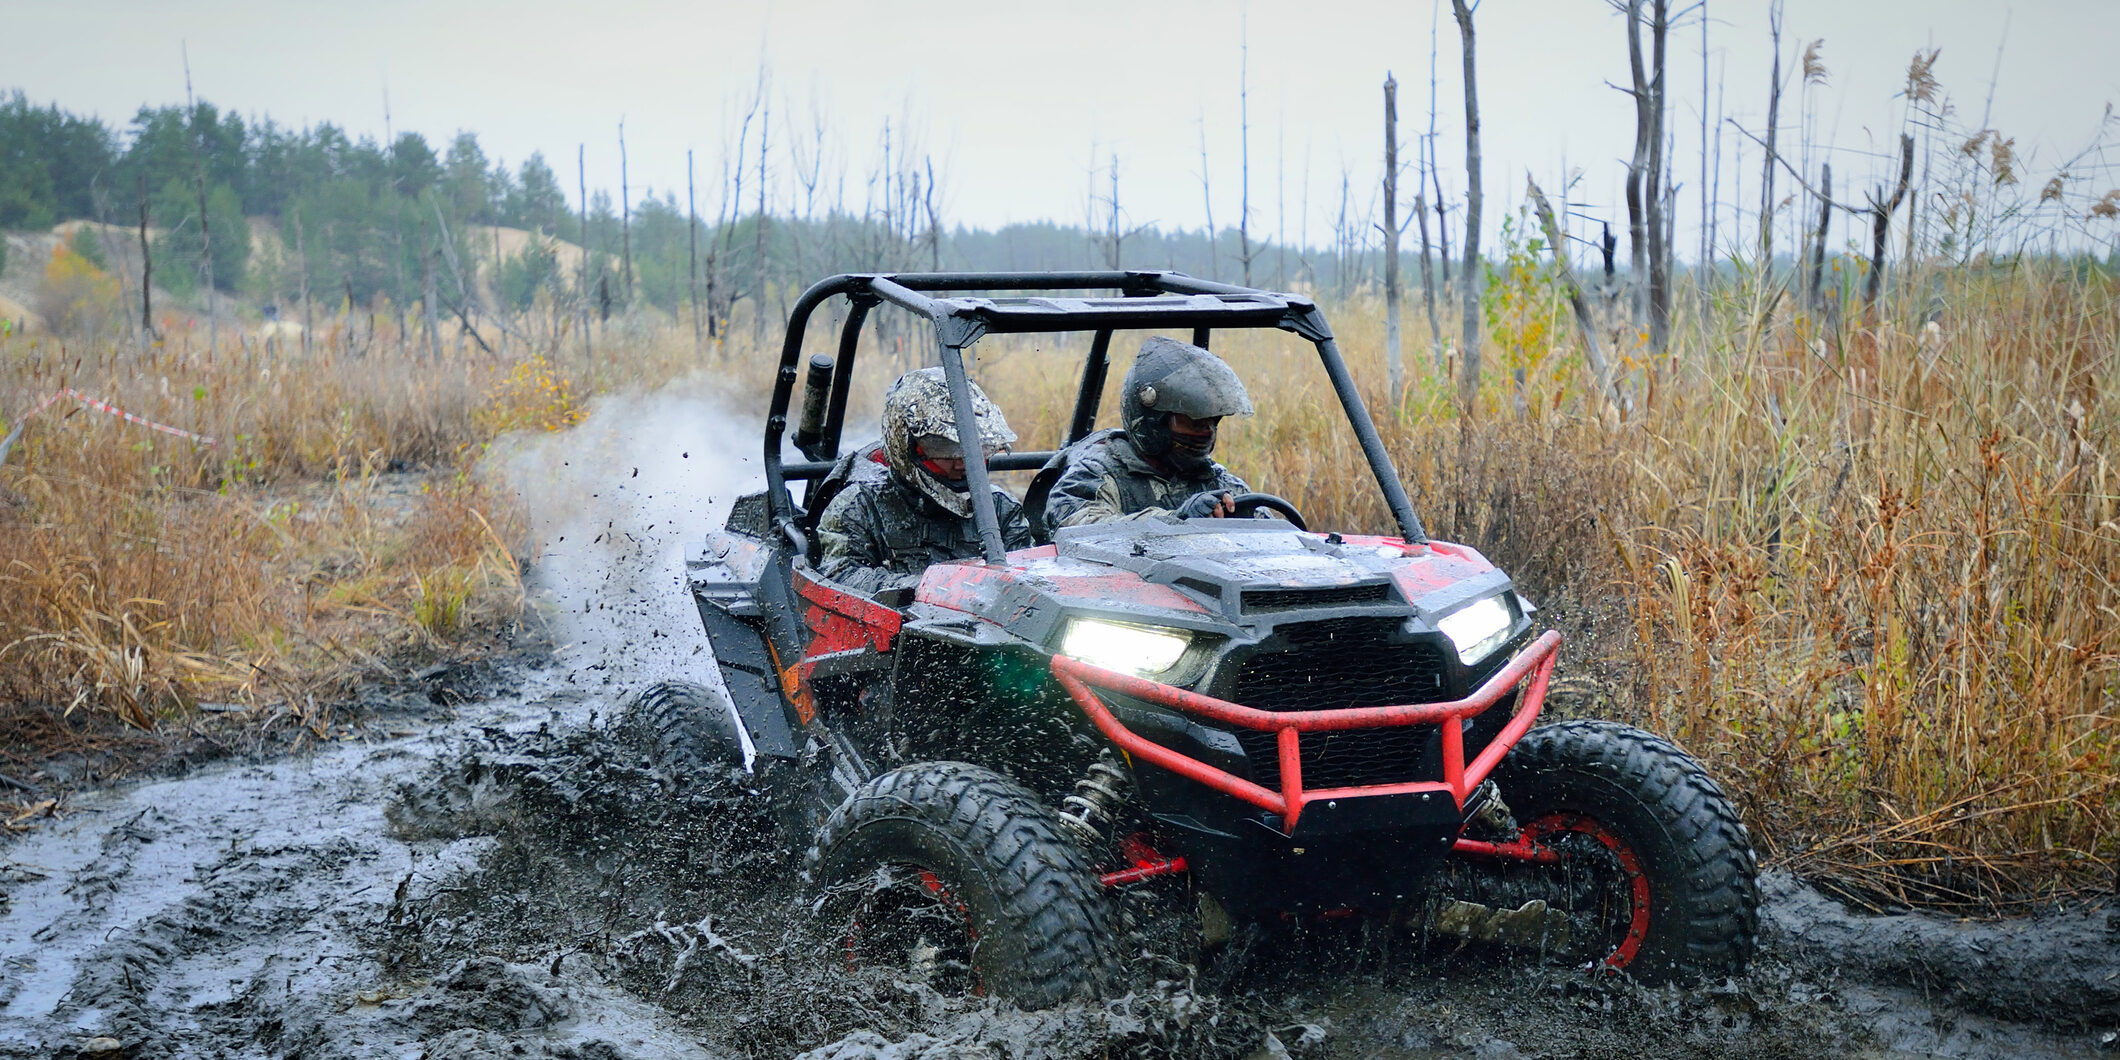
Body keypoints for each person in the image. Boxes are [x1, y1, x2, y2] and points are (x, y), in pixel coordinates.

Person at [816, 366, 1034, 595]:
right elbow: (839, 577)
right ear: (907, 447)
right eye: (946, 449)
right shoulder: (859, 507)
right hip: (895, 626)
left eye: (973, 448)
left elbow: (1028, 577)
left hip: (985, 625)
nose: (962, 463)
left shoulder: (1000, 508)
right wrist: (930, 588)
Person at [1041, 337, 1253, 533]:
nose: (1207, 432)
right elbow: (1083, 530)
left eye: (1212, 421)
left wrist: (1248, 524)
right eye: (1193, 421)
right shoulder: (1092, 475)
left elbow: (1274, 539)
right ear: (1152, 423)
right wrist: (1177, 520)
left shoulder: (1219, 481)